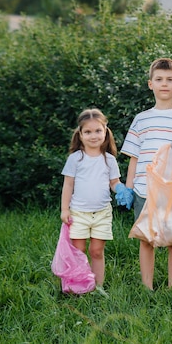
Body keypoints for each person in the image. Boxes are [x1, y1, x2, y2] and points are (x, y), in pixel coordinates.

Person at [119, 58, 172, 290]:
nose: (164, 84)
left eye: (169, 79)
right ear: (150, 84)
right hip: (144, 189)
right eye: (159, 79)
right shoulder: (141, 119)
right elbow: (134, 157)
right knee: (147, 239)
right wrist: (128, 187)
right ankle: (147, 287)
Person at [60, 108, 125, 297]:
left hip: (102, 213)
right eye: (88, 132)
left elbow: (114, 182)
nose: (93, 135)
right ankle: (78, 284)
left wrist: (120, 189)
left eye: (98, 131)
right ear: (80, 135)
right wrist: (65, 209)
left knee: (96, 251)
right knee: (78, 250)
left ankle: (97, 286)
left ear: (105, 132)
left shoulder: (109, 160)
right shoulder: (76, 159)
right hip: (78, 213)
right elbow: (68, 185)